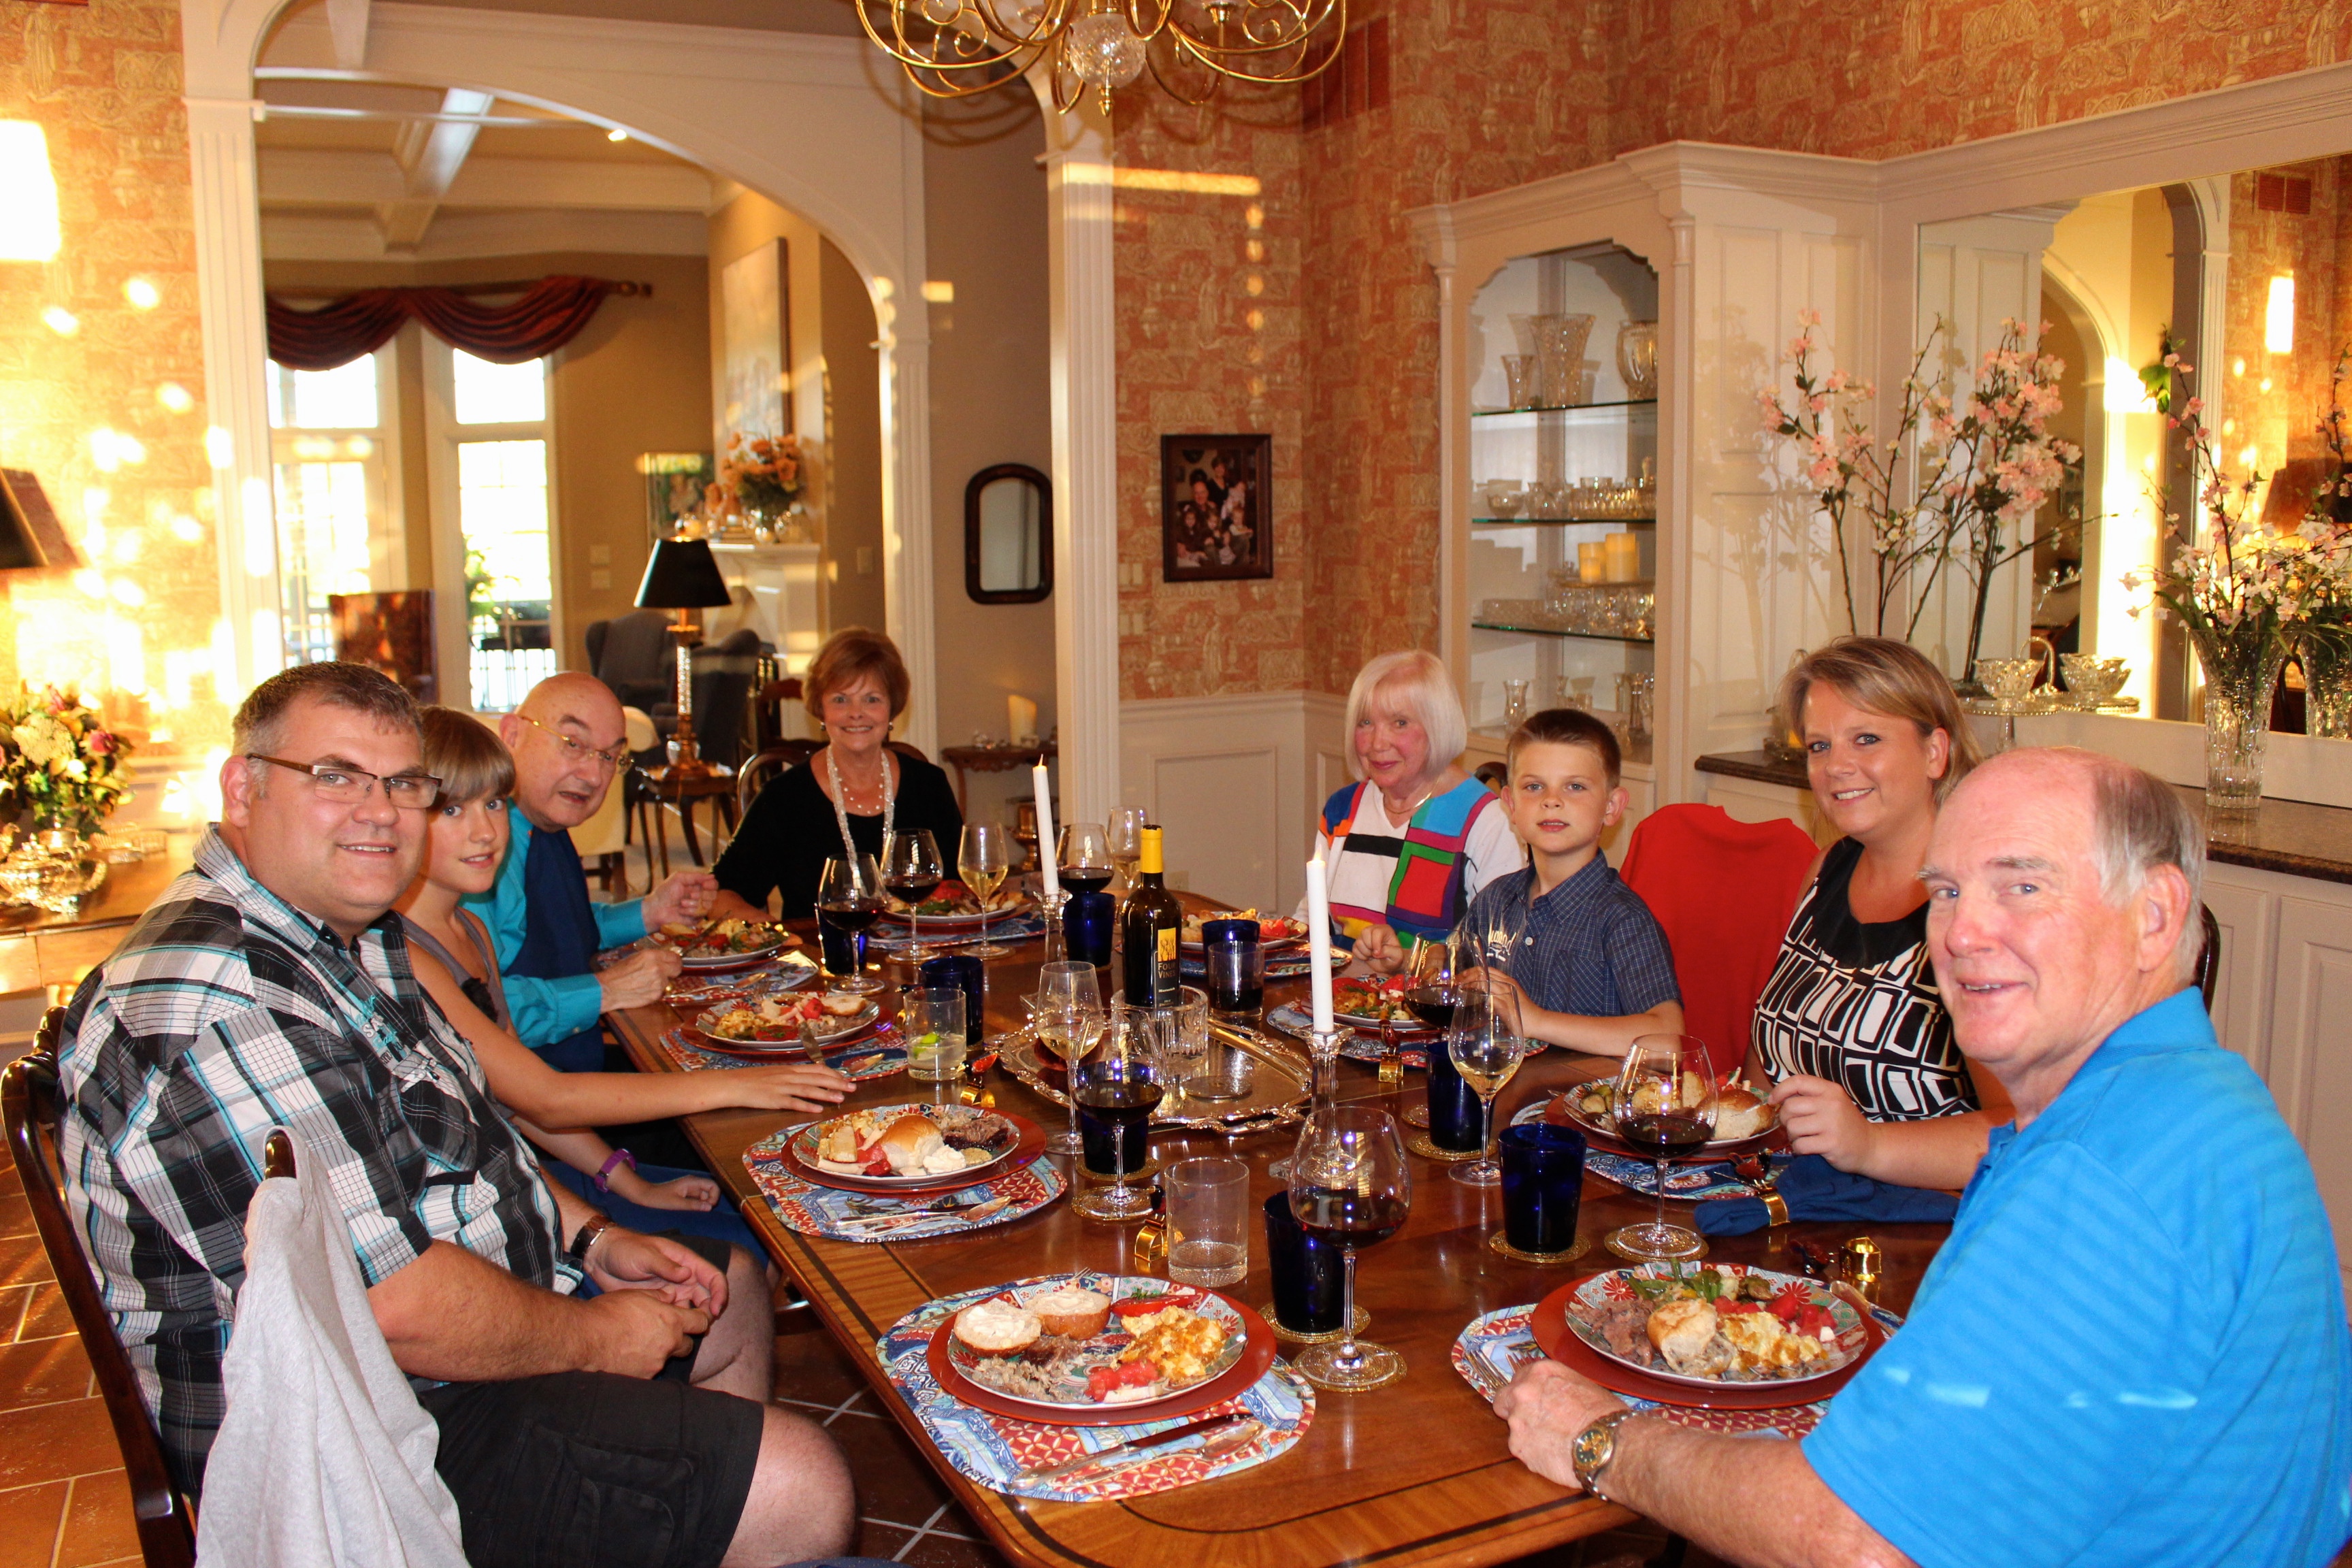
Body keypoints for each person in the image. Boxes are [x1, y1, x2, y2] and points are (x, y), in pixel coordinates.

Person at [56, 662, 860, 1567]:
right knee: (801, 1481)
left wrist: (593, 1238)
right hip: (355, 1435)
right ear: (242, 788)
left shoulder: (347, 938)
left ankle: (674, 1519)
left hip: (439, 1339)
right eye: (335, 776)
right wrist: (597, 1337)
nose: (379, 813)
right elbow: (390, 1303)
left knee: (729, 1297)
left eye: (404, 784)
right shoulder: (217, 1001)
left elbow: (477, 1127)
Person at [1494, 748, 2352, 1567]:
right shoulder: (2200, 1102)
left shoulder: (2101, 1180)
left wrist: (1603, 1442)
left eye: (2023, 886)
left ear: (2154, 917)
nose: (1962, 933)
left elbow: (1859, 1540)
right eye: (1945, 891)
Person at [397, 706, 849, 1251]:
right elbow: (546, 1098)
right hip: (468, 1207)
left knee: (772, 1202)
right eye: (451, 809)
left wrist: (624, 1177)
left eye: (494, 803)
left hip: (524, 1157)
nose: (485, 830)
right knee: (760, 1232)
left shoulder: (470, 928)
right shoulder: (409, 956)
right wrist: (738, 1084)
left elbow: (510, 1097)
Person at [1752, 636, 2010, 1191]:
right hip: (1806, 1206)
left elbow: (2026, 1132)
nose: (1836, 766)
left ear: (1935, 752)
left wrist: (1870, 1146)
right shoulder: (1827, 868)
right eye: (1819, 746)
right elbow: (1768, 1066)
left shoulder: (1983, 908)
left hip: (1930, 1225)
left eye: (1866, 739)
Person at [463, 672, 717, 1073]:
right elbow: (476, 1014)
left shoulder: (543, 826)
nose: (595, 776)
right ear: (511, 734)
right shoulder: (478, 852)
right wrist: (606, 990)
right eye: (573, 744)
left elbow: (558, 930)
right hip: (525, 1088)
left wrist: (650, 911)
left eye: (609, 757)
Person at [1466, 708, 1682, 1056]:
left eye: (1575, 786)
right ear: (1511, 804)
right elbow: (1454, 971)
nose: (1552, 800)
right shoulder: (1494, 901)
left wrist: (1535, 1021)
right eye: (1534, 787)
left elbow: (1668, 1040)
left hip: (1585, 1090)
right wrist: (1404, 961)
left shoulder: (1623, 920)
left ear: (1612, 807)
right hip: (1499, 1084)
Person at [712, 627, 963, 922]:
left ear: (892, 708)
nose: (856, 713)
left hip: (919, 948)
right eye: (841, 700)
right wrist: (782, 938)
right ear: (821, 709)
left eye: (872, 699)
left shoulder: (929, 785)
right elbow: (722, 895)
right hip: (819, 950)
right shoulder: (784, 798)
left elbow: (961, 887)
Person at [1313, 649, 1524, 972]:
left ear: (1437, 727)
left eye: (1400, 723)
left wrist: (1410, 961)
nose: (1377, 743)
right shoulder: (1344, 809)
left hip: (1435, 1002)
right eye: (1365, 722)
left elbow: (1499, 954)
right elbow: (1313, 917)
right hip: (1342, 997)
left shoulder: (1485, 820)